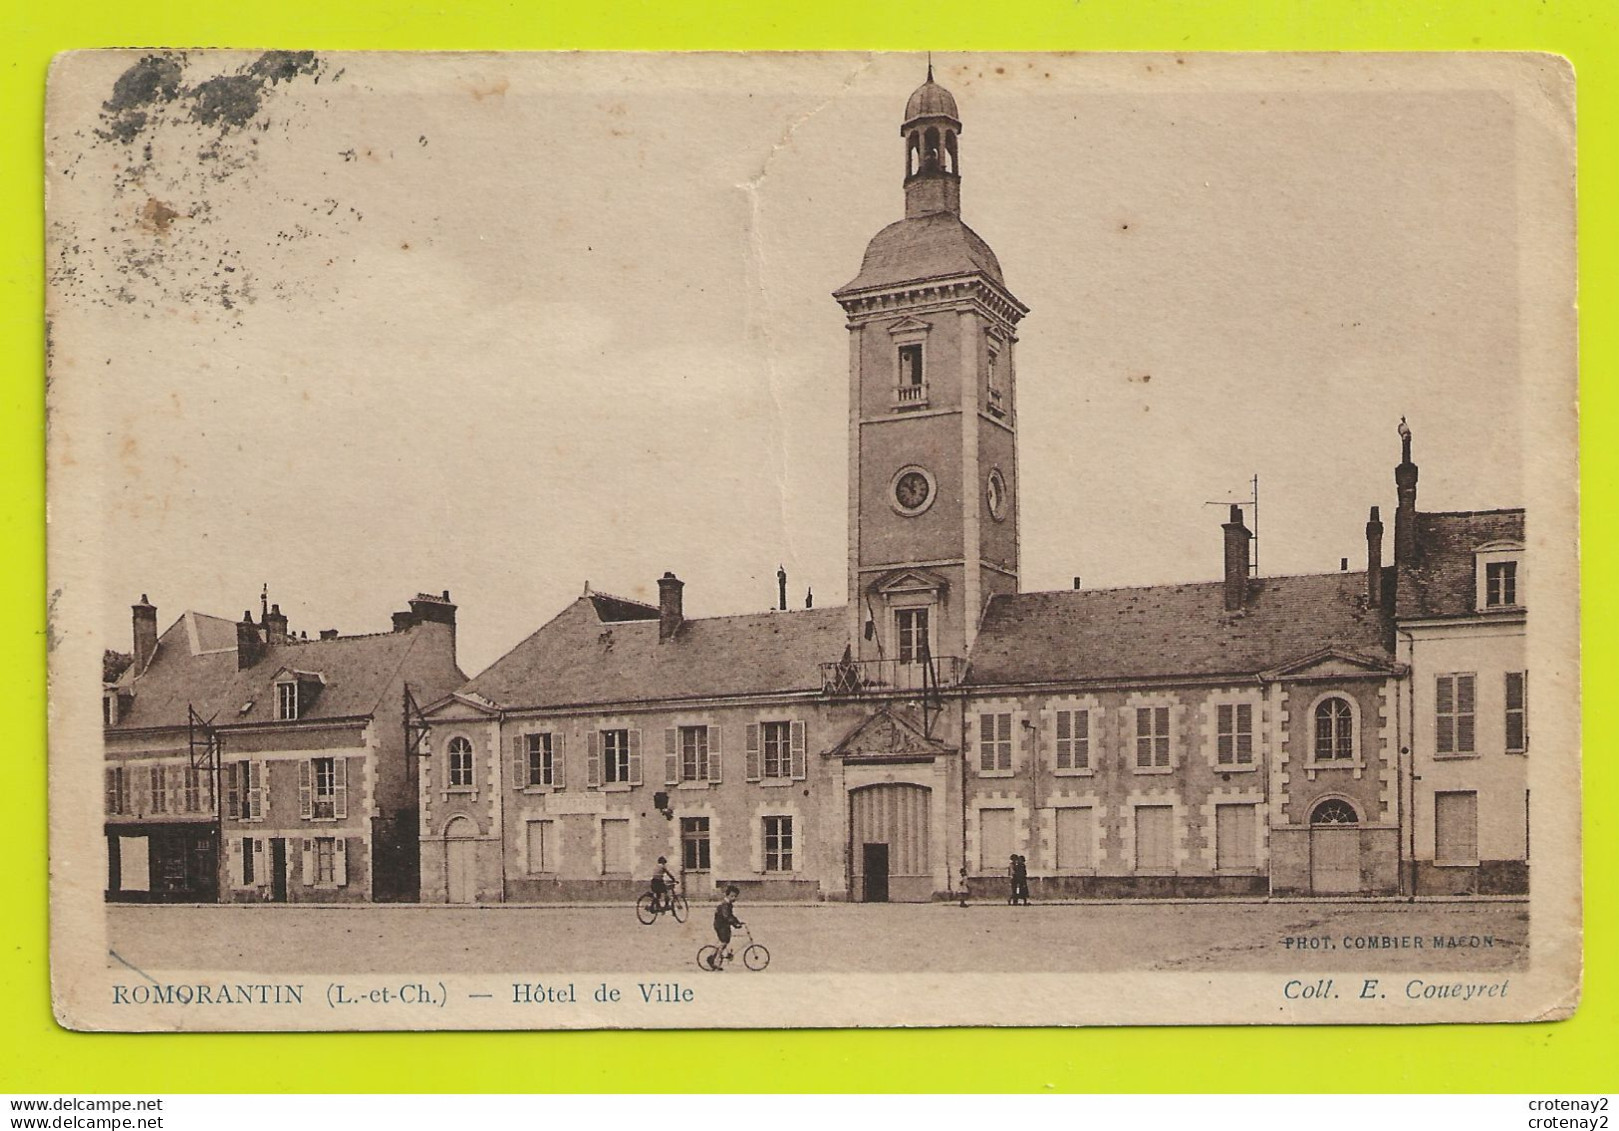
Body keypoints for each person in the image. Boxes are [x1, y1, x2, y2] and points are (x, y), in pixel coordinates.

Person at [710, 885, 744, 970]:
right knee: (724, 942)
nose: (734, 898)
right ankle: (715, 961)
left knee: (724, 942)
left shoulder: (728, 904)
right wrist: (735, 924)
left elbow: (731, 915)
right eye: (732, 896)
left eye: (735, 896)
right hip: (721, 925)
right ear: (727, 895)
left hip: (723, 925)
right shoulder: (725, 904)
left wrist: (737, 922)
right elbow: (727, 916)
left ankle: (712, 957)